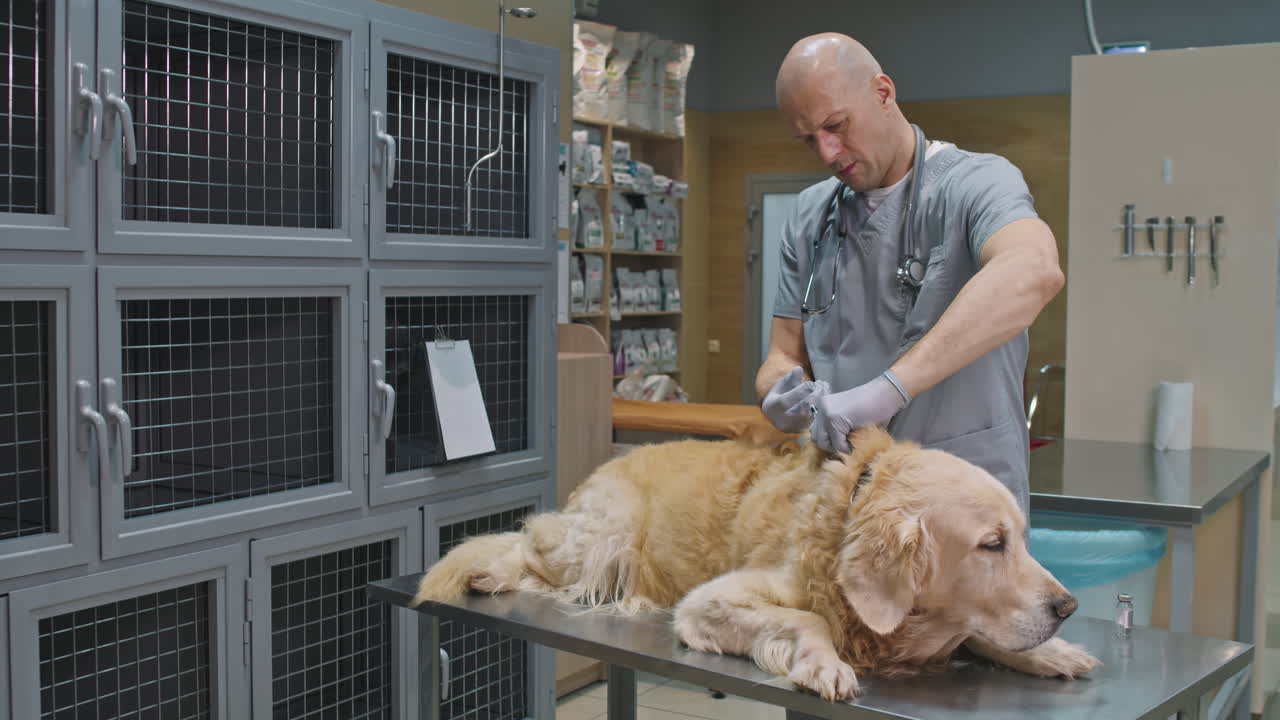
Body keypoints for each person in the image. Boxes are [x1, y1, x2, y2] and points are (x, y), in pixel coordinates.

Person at [756, 32, 1064, 516]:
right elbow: (782, 353)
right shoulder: (811, 215)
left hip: (961, 507)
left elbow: (1034, 270)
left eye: (836, 125)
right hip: (848, 501)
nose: (828, 153)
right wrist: (778, 392)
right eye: (809, 139)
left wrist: (889, 390)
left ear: (882, 92)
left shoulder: (976, 184)